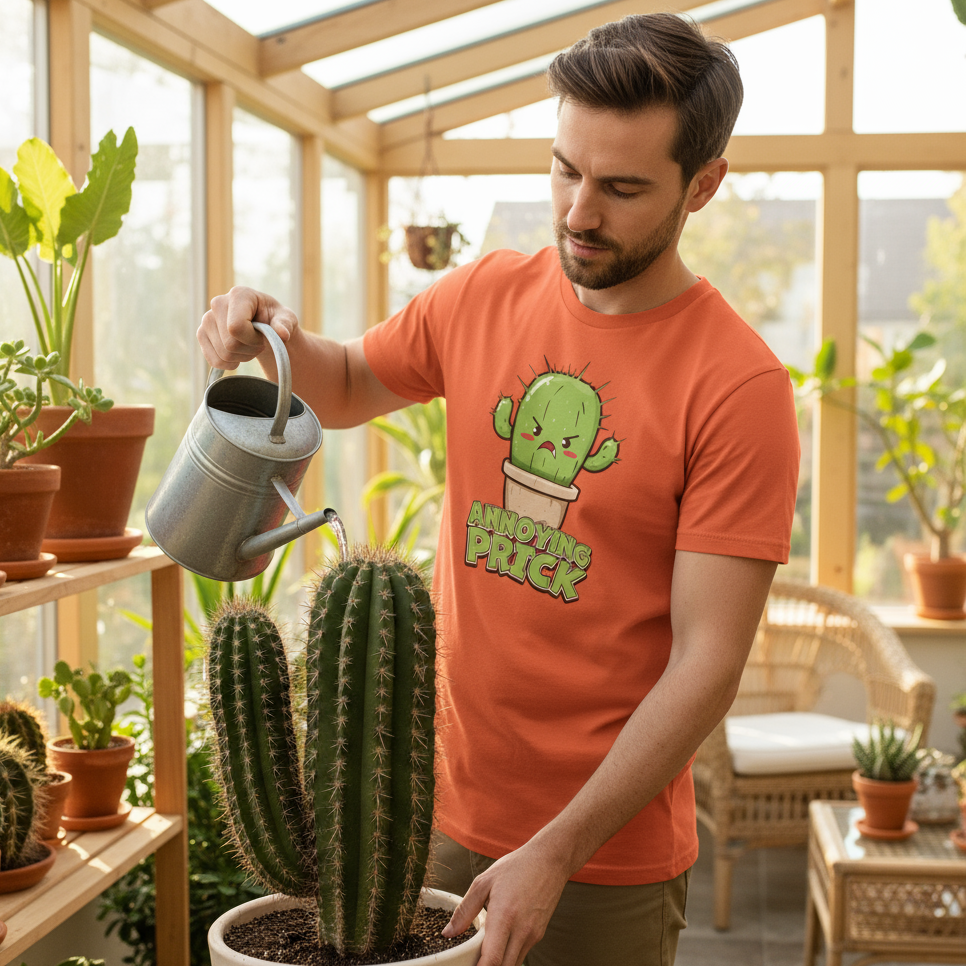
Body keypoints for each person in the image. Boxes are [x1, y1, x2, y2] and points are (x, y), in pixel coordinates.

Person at [197, 12, 800, 966]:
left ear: (705, 185)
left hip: (602, 856)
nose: (577, 212)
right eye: (565, 169)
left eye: (623, 186)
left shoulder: (739, 387)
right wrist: (268, 333)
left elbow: (707, 663)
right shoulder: (481, 295)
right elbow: (348, 379)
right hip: (427, 821)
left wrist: (556, 849)